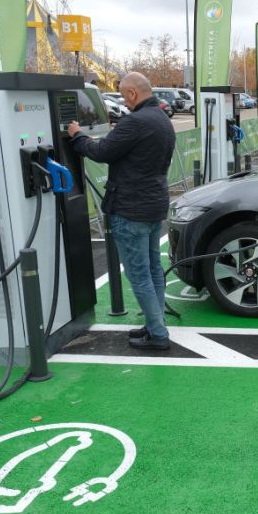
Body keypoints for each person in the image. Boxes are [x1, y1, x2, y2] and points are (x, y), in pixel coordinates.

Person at [68, 72, 176, 350]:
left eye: (123, 96)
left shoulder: (135, 122)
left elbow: (102, 151)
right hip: (153, 206)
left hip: (130, 209)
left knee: (139, 274)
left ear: (131, 94)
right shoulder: (162, 118)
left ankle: (159, 335)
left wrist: (76, 136)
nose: (124, 104)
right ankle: (155, 324)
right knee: (153, 269)